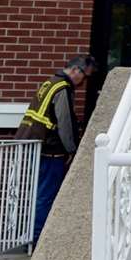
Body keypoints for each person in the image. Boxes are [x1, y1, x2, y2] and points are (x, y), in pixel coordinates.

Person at [18, 54, 95, 243]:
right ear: (76, 70)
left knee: (35, 193)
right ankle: (38, 240)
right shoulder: (63, 88)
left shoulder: (50, 83)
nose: (83, 82)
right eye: (85, 76)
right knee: (45, 195)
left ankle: (28, 235)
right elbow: (65, 122)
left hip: (31, 144)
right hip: (50, 149)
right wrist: (71, 149)